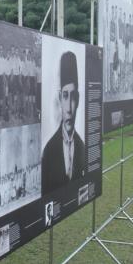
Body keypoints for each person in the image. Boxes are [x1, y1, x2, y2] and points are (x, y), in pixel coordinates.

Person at [41, 51, 85, 195]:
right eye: (65, 96)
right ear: (60, 99)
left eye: (72, 97)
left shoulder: (82, 147)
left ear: (77, 100)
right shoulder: (48, 151)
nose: (68, 109)